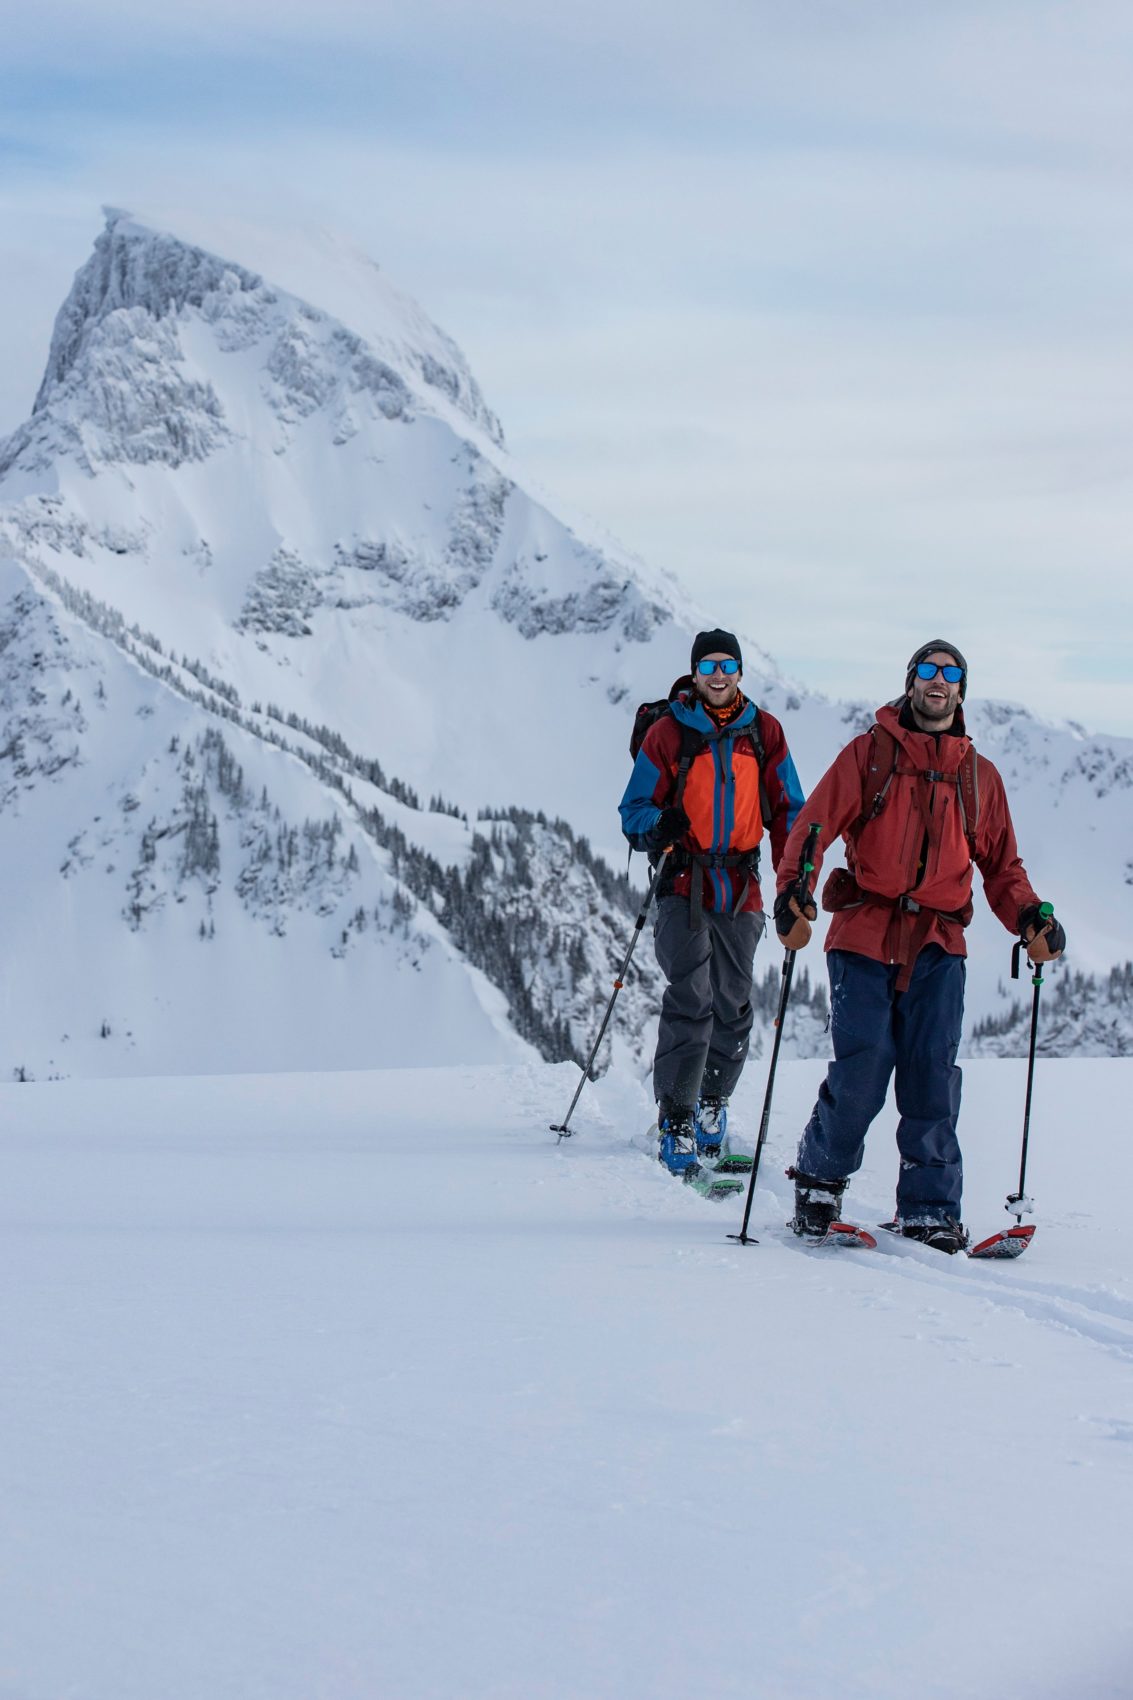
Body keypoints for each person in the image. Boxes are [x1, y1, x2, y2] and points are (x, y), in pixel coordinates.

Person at [775, 640, 1065, 1252]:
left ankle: (931, 1210)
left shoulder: (978, 777)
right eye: (928, 671)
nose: (939, 681)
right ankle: (820, 1184)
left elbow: (1002, 866)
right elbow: (813, 827)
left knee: (933, 1076)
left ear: (961, 691)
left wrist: (1030, 918)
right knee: (864, 1068)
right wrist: (794, 888)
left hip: (939, 942)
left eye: (951, 673)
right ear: (911, 683)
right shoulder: (869, 753)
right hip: (864, 934)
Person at [619, 629, 805, 1178]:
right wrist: (661, 824)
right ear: (695, 674)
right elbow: (633, 811)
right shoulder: (667, 734)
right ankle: (676, 1115)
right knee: (691, 997)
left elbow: (789, 811)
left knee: (734, 1002)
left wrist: (795, 881)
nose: (718, 674)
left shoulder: (764, 732)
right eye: (708, 666)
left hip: (742, 887)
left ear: (741, 672)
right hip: (683, 884)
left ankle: (713, 1101)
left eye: (728, 664)